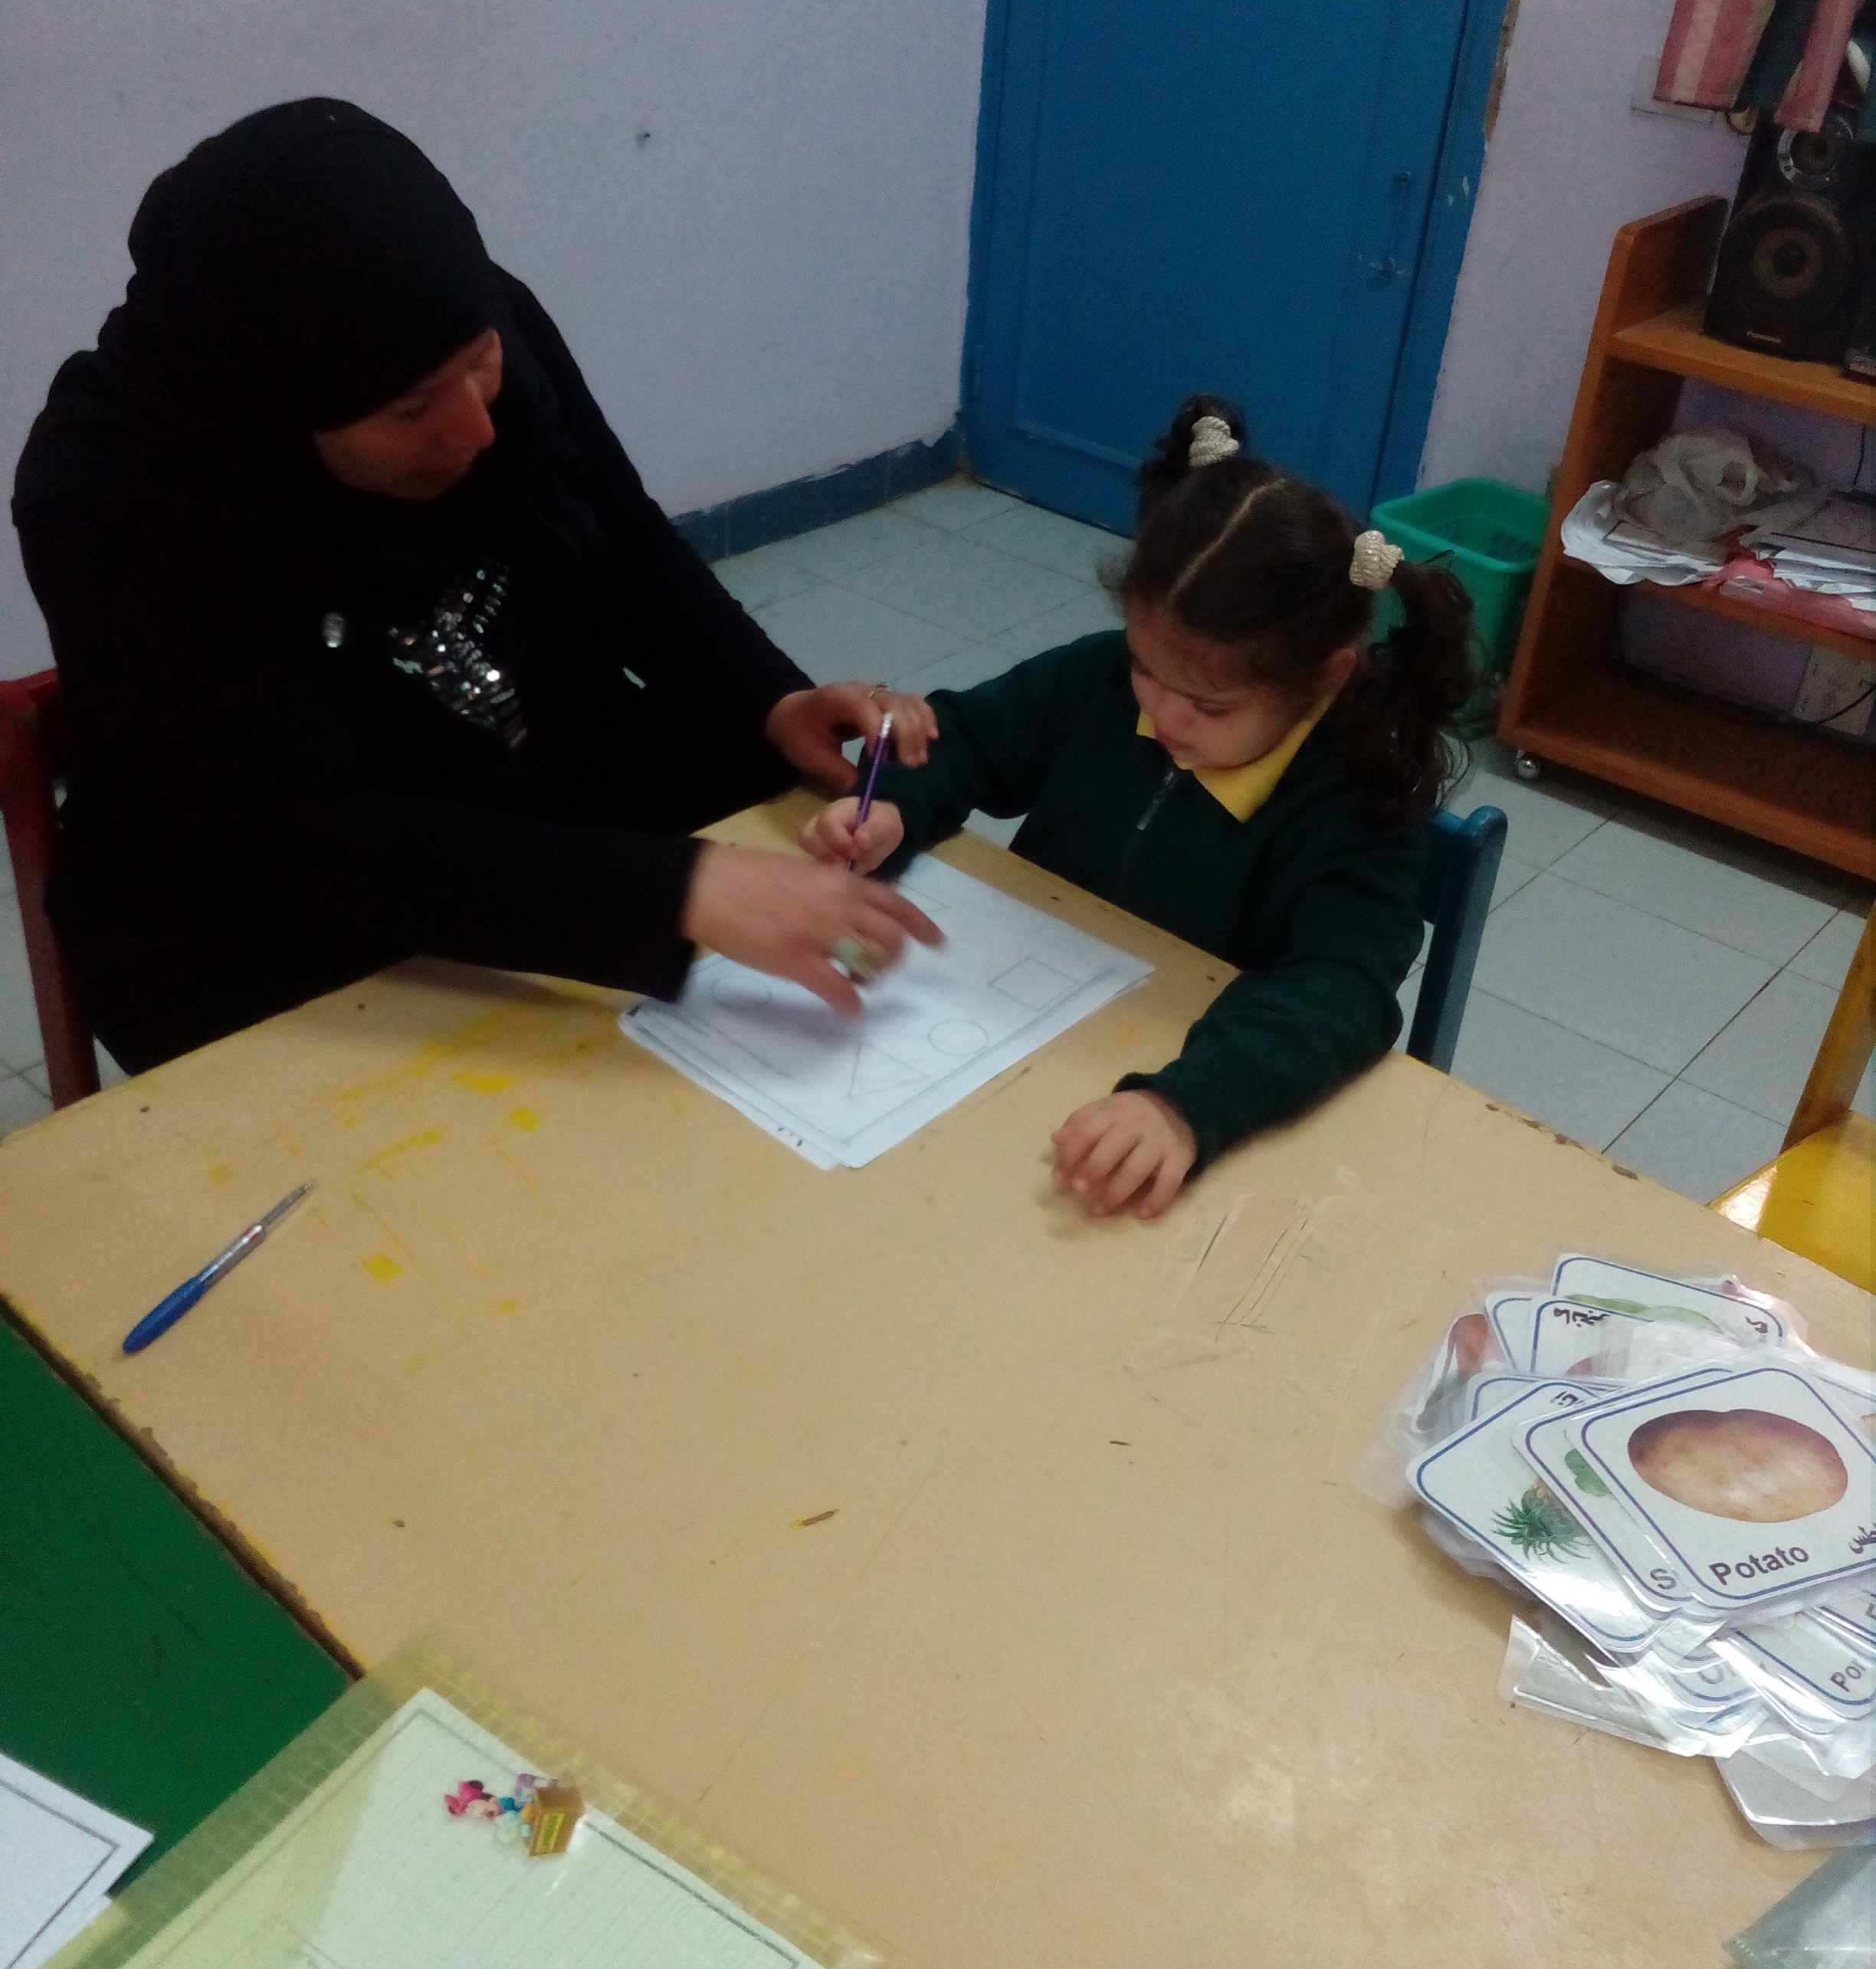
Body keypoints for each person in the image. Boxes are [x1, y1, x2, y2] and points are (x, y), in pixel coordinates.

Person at [14, 100, 940, 1072]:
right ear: (280, 403)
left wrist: (774, 699)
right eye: (413, 408)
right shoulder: (112, 492)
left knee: (800, 823)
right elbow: (304, 833)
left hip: (540, 790)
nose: (476, 430)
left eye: (481, 366)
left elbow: (624, 541)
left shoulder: (460, 316)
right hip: (267, 901)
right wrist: (678, 891)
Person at [802, 394, 1477, 1220]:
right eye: (1146, 669)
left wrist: (1187, 1105)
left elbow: (1341, 990)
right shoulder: (1100, 680)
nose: (1163, 716)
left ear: (1323, 677)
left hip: (1173, 1076)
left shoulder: (1359, 797)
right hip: (1017, 1036)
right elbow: (966, 739)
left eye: (1209, 706)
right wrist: (895, 809)